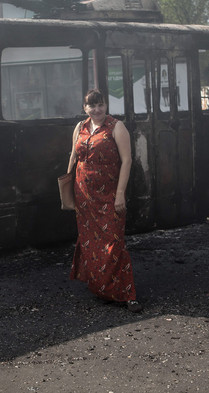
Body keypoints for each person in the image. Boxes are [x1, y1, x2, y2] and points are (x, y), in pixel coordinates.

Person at [66, 89, 142, 313]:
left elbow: (127, 161)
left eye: (100, 105)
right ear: (85, 108)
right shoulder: (79, 128)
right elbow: (73, 155)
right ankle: (103, 289)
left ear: (106, 106)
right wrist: (67, 184)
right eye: (92, 106)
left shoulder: (117, 127)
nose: (97, 109)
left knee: (114, 242)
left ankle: (128, 294)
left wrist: (120, 193)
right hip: (83, 195)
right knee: (91, 244)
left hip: (109, 194)